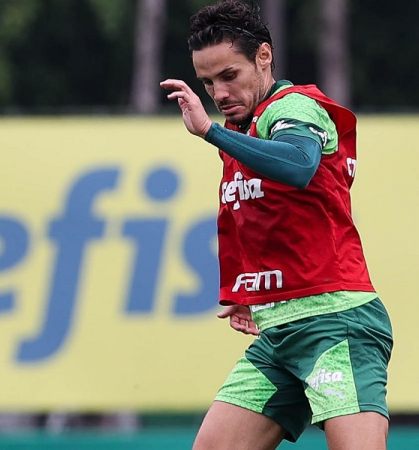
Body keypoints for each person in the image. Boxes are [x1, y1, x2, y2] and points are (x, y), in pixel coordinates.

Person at [159, 1, 393, 449]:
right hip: (279, 332)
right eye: (208, 82)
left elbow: (300, 163)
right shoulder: (240, 132)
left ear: (263, 57)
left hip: (335, 321)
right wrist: (244, 292)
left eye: (230, 75)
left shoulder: (294, 108)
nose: (220, 92)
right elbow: (245, 215)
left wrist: (210, 131)